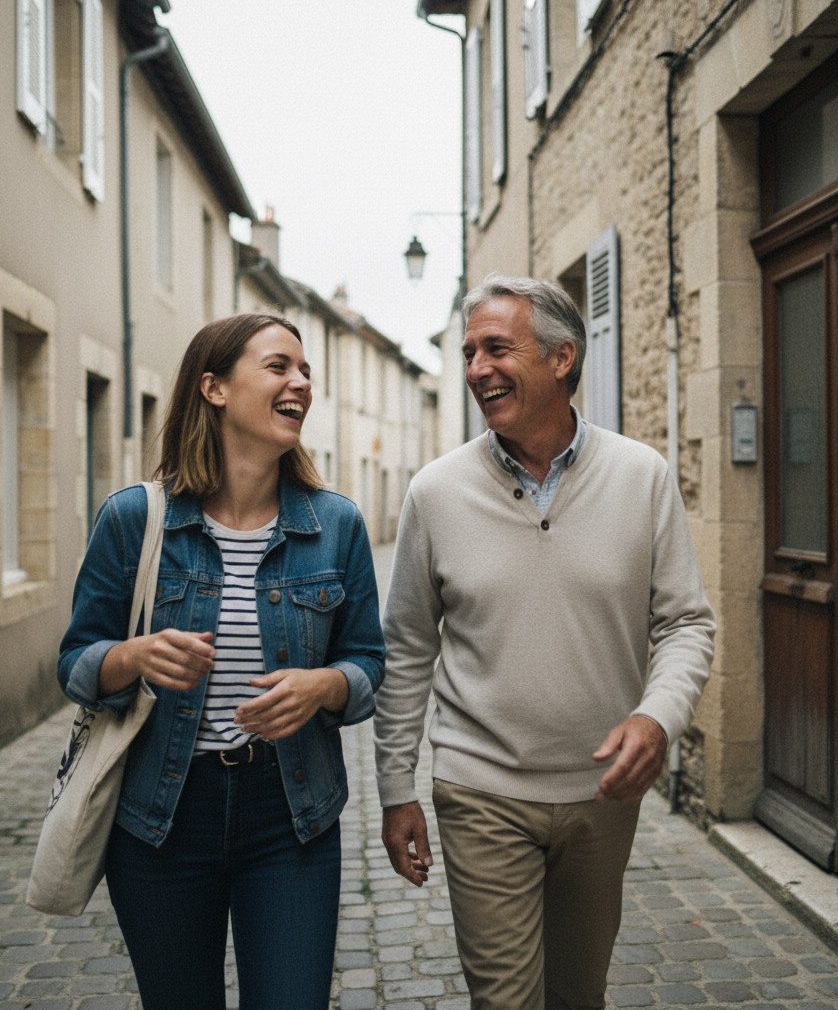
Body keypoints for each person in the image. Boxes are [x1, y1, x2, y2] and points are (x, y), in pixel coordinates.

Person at [374, 275, 715, 1010]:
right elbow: (404, 647)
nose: (474, 369)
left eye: (496, 348)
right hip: (480, 789)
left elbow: (686, 622)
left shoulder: (641, 477)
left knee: (578, 993)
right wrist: (396, 788)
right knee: (506, 1001)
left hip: (602, 795)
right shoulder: (435, 493)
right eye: (468, 353)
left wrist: (658, 716)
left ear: (563, 360)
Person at [58, 311, 384, 1010]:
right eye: (278, 367)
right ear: (213, 388)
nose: (300, 382)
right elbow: (76, 664)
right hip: (161, 818)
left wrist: (324, 685)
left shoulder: (337, 527)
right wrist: (133, 657)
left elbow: (368, 666)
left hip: (291, 813)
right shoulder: (133, 520)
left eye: (306, 372)